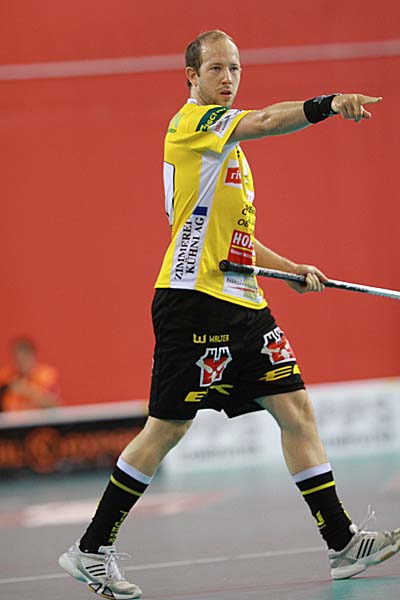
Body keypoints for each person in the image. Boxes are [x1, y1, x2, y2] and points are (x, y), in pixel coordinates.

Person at [58, 30, 399, 599]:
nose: (228, 77)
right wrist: (328, 104)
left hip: (243, 302)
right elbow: (265, 119)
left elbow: (238, 242)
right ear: (191, 76)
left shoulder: (230, 155)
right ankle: (91, 550)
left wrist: (291, 268)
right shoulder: (192, 124)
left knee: (296, 410)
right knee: (167, 429)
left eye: (235, 68)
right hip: (192, 301)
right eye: (216, 68)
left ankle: (341, 544)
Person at [0, 337, 61, 411]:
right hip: (10, 417)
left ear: (33, 356)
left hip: (38, 418)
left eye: (24, 358)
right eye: (17, 359)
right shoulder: (6, 376)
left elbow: (55, 405)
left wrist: (28, 391)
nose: (21, 363)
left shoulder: (45, 375)